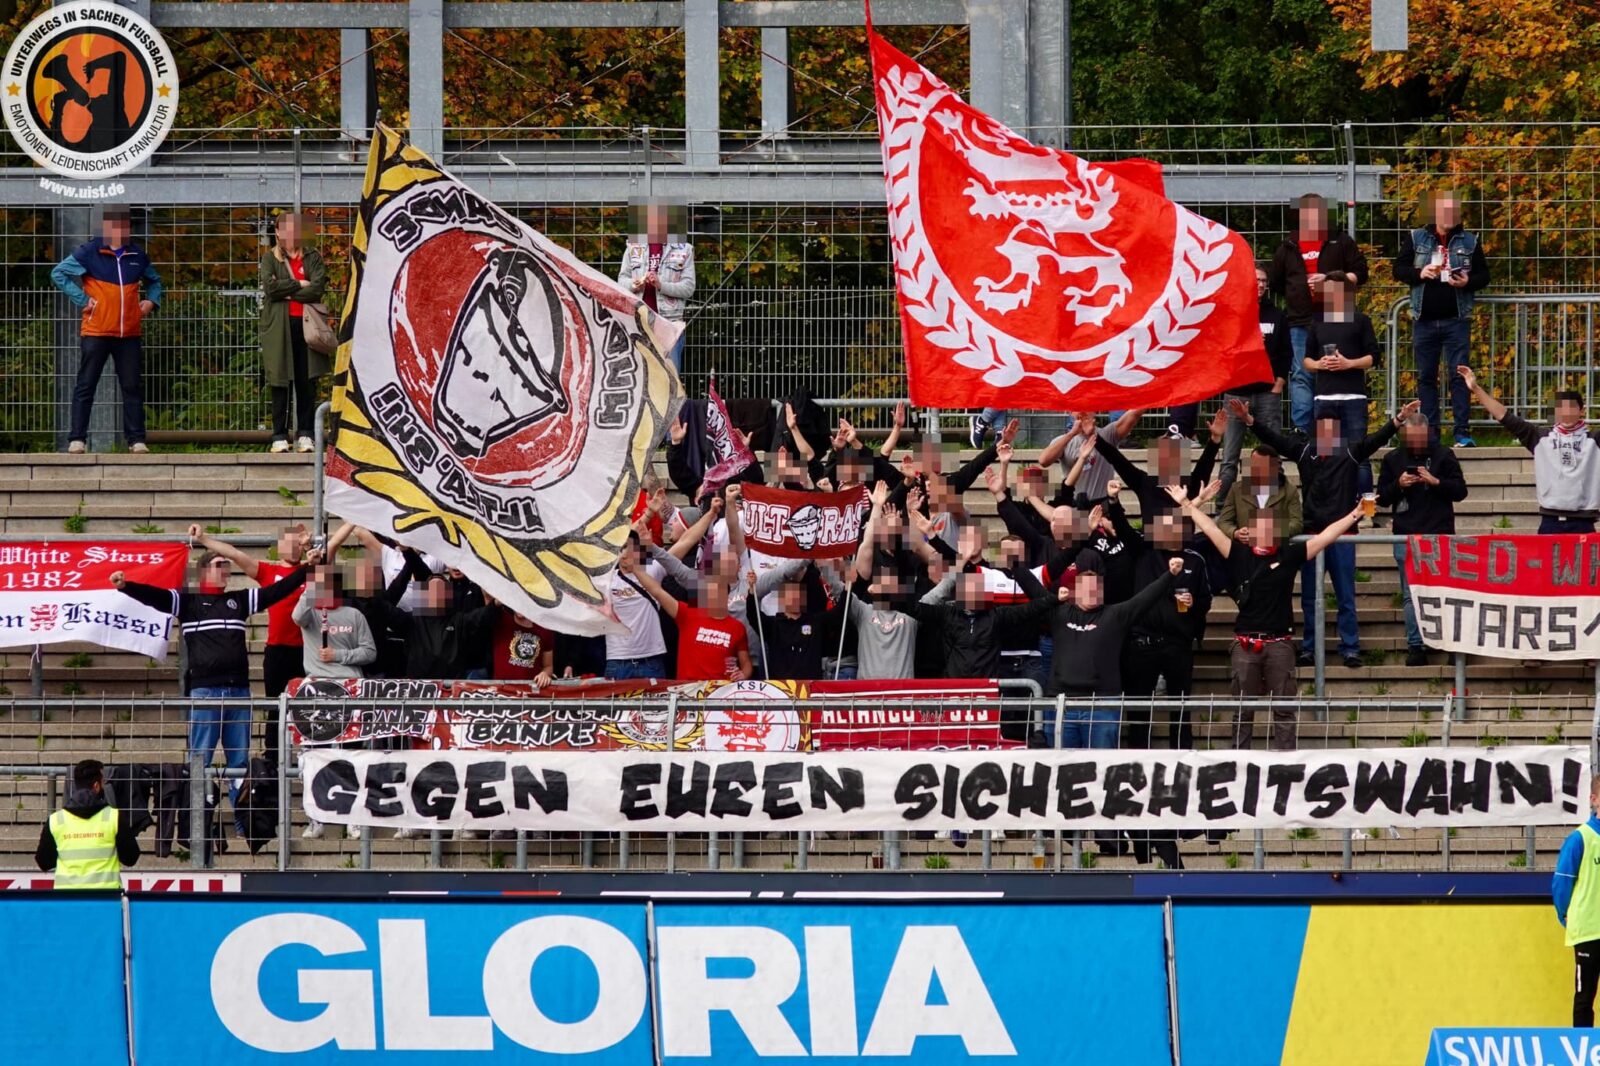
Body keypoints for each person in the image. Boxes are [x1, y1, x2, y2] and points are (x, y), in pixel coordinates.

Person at [111, 547, 315, 834]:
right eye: (220, 564)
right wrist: (126, 586)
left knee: (240, 763)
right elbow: (155, 597)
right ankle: (196, 826)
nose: (226, 570)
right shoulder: (189, 602)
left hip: (239, 694)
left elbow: (276, 591)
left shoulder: (239, 600)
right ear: (204, 570)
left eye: (228, 566)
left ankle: (244, 826)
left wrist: (305, 570)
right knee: (200, 758)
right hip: (204, 693)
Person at [1172, 484, 1365, 749]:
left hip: (1280, 643)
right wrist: (1188, 505)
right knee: (1242, 712)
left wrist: (1355, 514)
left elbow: (1325, 536)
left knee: (1285, 710)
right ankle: (1240, 761)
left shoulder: (1289, 555)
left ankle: (1285, 761)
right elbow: (1212, 530)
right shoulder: (1237, 554)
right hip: (1245, 643)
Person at [1242, 397, 1415, 669]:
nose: (1326, 433)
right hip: (1312, 537)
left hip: (1343, 535)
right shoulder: (1304, 451)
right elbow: (1275, 440)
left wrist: (1399, 419)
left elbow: (1377, 439)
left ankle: (1350, 648)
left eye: (1331, 429)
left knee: (1345, 594)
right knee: (1310, 598)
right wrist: (1251, 422)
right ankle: (1310, 648)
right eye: (1322, 428)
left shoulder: (1349, 451)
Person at [190, 522, 354, 768]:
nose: (296, 548)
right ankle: (273, 758)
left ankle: (313, 755)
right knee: (275, 706)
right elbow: (234, 554)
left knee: (311, 706)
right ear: (279, 547)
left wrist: (354, 520)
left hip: (308, 652)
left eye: (299, 543)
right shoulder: (268, 571)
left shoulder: (312, 567)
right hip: (278, 650)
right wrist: (203, 538)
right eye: (290, 543)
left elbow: (334, 543)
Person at [50, 205, 162, 454]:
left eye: (124, 226)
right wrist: (82, 300)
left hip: (128, 333)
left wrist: (151, 301)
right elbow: (58, 274)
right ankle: (77, 439)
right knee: (86, 384)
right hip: (96, 331)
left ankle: (136, 440)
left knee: (131, 386)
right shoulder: (90, 251)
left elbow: (155, 280)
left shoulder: (138, 255)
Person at [1393, 189, 1491, 447]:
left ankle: (1461, 431)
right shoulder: (1416, 238)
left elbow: (1484, 276)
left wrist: (1468, 281)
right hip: (1423, 320)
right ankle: (1432, 432)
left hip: (1456, 320)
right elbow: (1398, 269)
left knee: (1459, 376)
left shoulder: (1470, 240)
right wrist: (1419, 272)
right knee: (1426, 377)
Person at [1268, 193, 1367, 433]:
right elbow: (1277, 282)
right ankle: (1302, 430)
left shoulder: (1340, 241)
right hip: (1300, 320)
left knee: (1336, 372)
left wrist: (1332, 279)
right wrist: (1298, 292)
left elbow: (1361, 274)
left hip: (1337, 320)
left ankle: (1332, 429)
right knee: (1302, 375)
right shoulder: (1287, 246)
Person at [1459, 367, 1600, 534]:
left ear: (1581, 411)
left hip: (1584, 523)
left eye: (1572, 408)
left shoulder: (1594, 440)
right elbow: (1504, 416)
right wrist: (1476, 388)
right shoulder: (1540, 438)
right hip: (1550, 521)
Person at [1376, 411, 1468, 665]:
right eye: (1410, 438)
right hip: (1406, 534)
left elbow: (1461, 491)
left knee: (1447, 592)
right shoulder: (1393, 459)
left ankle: (1452, 644)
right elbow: (1382, 498)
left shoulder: (1444, 455)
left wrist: (1435, 481)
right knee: (1410, 594)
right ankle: (1416, 645)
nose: (1415, 443)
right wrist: (1399, 485)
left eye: (1420, 438)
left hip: (1439, 534)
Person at [1219, 266, 1293, 499]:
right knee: (1230, 456)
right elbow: (1222, 351)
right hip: (1236, 393)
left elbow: (1285, 353)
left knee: (1272, 453)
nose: (1260, 284)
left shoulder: (1277, 316)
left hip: (1266, 393)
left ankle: (1276, 502)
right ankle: (1222, 507)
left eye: (1263, 280)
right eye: (1255, 280)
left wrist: (1279, 383)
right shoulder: (1232, 314)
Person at [1303, 273, 1380, 496]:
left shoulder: (1360, 320)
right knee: (1327, 456)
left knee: (1360, 455)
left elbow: (1374, 357)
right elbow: (1306, 361)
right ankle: (1331, 505)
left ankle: (1365, 510)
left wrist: (1349, 363)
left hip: (1354, 399)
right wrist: (1320, 364)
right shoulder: (1317, 323)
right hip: (1324, 399)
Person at [260, 210, 330, 453]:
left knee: (306, 380)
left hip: (308, 327)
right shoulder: (270, 258)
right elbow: (269, 288)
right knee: (279, 380)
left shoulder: (313, 257)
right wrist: (300, 284)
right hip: (279, 327)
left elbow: (318, 289)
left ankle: (306, 434)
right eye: (285, 228)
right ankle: (279, 435)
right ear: (277, 232)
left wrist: (286, 291)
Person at [625, 557, 753, 682]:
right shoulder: (687, 613)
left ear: (726, 595)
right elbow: (657, 591)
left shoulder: (737, 627)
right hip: (688, 694)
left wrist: (743, 674)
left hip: (719, 695)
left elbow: (746, 664)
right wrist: (636, 569)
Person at [34, 759, 140, 889]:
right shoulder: (113, 817)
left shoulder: (56, 820)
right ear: (96, 786)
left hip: (67, 899)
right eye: (103, 782)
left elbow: (44, 862)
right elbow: (131, 858)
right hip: (106, 899)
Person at [617, 199, 694, 370]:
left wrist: (661, 285)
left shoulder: (685, 249)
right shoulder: (632, 247)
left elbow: (689, 288)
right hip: (638, 324)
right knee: (640, 377)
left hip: (670, 324)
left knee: (670, 379)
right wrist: (634, 284)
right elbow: (621, 281)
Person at [1554, 778, 1600, 1026]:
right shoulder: (1580, 838)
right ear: (1594, 800)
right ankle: (1582, 1055)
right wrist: (1565, 915)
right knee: (1585, 997)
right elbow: (1562, 883)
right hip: (1588, 931)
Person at [1038, 409, 1144, 506]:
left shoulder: (1107, 434)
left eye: (1086, 407)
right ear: (1070, 412)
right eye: (1076, 408)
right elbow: (1043, 461)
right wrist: (1072, 433)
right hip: (1074, 504)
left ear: (1095, 411)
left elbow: (1134, 415)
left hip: (1103, 505)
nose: (1082, 412)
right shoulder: (1064, 440)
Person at [1216, 446, 1302, 546]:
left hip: (1276, 551)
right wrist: (1236, 533)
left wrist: (1270, 532)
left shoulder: (1289, 491)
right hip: (1245, 552)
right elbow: (1224, 521)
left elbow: (1296, 524)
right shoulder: (1236, 489)